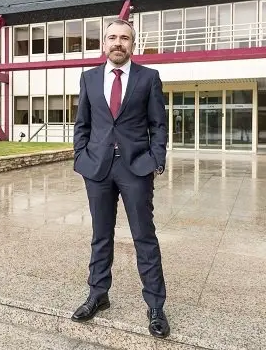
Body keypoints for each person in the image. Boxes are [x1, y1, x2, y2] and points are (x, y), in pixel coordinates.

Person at [71, 18, 169, 338]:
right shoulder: (88, 78)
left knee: (144, 236)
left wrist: (156, 160)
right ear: (103, 43)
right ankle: (98, 294)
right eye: (112, 37)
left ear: (132, 44)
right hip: (97, 168)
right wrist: (80, 158)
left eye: (124, 38)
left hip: (135, 167)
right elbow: (82, 124)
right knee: (101, 235)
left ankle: (155, 305)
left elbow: (158, 125)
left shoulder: (148, 78)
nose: (117, 43)